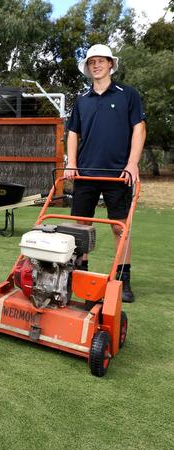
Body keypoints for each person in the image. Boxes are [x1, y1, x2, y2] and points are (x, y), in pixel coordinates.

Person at [65, 44, 146, 302]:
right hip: (86, 174)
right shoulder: (82, 100)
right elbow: (73, 133)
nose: (96, 65)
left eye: (101, 60)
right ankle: (81, 276)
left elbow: (139, 128)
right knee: (82, 227)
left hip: (118, 174)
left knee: (119, 228)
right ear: (88, 68)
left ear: (111, 64)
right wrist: (71, 163)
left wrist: (132, 164)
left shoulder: (127, 95)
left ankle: (124, 280)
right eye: (91, 62)